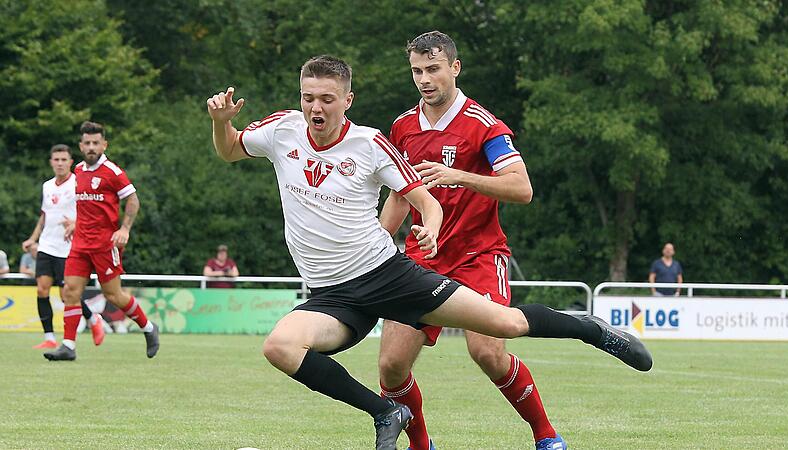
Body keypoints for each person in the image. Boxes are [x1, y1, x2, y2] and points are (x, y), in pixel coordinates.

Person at [207, 55, 651, 450]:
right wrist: (220, 121)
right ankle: (392, 419)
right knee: (307, 351)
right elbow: (229, 150)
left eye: (326, 98)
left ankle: (586, 337)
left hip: (424, 266)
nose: (315, 108)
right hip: (336, 291)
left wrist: (436, 218)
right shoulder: (294, 129)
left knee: (501, 335)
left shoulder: (412, 136)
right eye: (308, 98)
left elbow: (451, 196)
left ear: (348, 101)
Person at [378, 31, 562, 450]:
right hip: (423, 260)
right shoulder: (403, 127)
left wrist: (461, 176)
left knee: (487, 353)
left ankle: (546, 436)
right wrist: (372, 245)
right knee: (391, 366)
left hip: (478, 255)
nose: (425, 79)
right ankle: (421, 445)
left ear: (455, 68)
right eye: (417, 71)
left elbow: (522, 188)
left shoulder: (483, 125)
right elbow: (398, 197)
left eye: (434, 69)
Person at [44, 121, 159, 361]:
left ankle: (148, 327)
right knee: (70, 291)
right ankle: (68, 346)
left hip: (105, 245)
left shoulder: (113, 172)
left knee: (113, 295)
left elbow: (133, 201)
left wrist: (124, 229)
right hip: (80, 244)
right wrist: (77, 224)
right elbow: (87, 205)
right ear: (81, 145)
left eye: (96, 143)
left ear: (104, 144)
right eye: (87, 143)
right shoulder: (79, 171)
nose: (91, 147)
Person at [22, 144, 106, 349]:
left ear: (70, 162)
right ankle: (49, 338)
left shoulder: (78, 183)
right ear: (51, 162)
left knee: (66, 294)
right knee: (42, 289)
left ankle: (93, 319)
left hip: (69, 248)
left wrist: (77, 224)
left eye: (63, 159)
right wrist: (33, 239)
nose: (59, 163)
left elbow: (92, 210)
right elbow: (44, 215)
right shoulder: (47, 186)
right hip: (47, 246)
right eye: (56, 159)